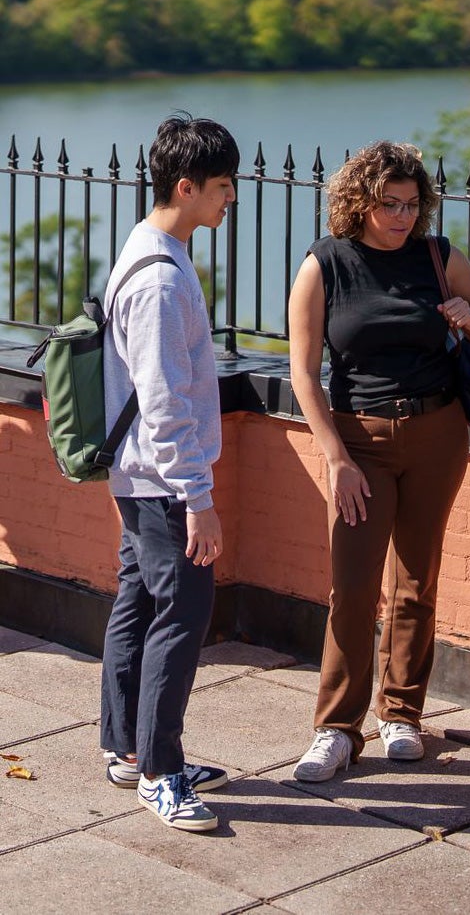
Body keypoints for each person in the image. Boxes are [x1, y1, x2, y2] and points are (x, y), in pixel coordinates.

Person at [288, 140, 470, 782]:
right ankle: (336, 728)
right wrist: (335, 458)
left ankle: (402, 714)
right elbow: (304, 374)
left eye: (412, 204)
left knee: (418, 580)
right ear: (359, 201)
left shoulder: (437, 258)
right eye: (389, 204)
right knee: (353, 589)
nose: (403, 216)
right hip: (358, 442)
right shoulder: (325, 265)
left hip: (439, 431)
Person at [99, 114, 240, 833]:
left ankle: (127, 749)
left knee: (139, 603)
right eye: (221, 186)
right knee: (179, 616)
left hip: (140, 476)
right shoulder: (159, 280)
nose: (231, 199)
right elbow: (163, 400)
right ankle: (160, 769)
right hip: (162, 481)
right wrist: (198, 498)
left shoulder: (150, 247)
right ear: (184, 187)